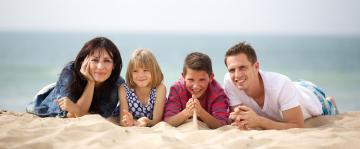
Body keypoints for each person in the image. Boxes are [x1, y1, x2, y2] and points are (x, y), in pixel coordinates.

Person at [223, 42, 339, 130]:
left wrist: (258, 121)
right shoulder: (229, 80)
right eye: (232, 70)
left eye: (242, 67)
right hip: (292, 89)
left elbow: (297, 126)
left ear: (256, 67)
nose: (237, 75)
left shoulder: (281, 84)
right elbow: (239, 117)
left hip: (311, 96)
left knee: (327, 106)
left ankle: (330, 101)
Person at [26, 37, 124, 118]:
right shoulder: (70, 72)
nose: (100, 67)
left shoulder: (117, 83)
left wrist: (76, 109)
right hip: (44, 104)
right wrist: (90, 83)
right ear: (84, 61)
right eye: (95, 60)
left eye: (107, 61)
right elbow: (69, 115)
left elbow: (101, 116)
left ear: (114, 64)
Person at [164, 52, 229, 129]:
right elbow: (168, 121)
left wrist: (201, 112)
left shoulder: (217, 92)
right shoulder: (177, 89)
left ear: (211, 78)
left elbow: (222, 125)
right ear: (183, 77)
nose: (196, 86)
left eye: (202, 80)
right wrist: (186, 112)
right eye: (191, 80)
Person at [116, 49, 166, 127]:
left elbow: (156, 120)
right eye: (135, 71)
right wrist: (128, 121)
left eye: (145, 70)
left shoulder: (160, 88)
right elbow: (123, 120)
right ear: (130, 73)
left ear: (154, 71)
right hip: (131, 121)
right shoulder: (123, 89)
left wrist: (144, 122)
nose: (140, 75)